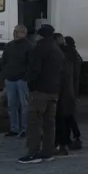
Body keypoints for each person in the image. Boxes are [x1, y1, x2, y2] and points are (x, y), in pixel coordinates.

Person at [19, 24, 64, 164]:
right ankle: (47, 152)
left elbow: (34, 70)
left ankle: (33, 152)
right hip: (53, 91)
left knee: (34, 122)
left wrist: (31, 85)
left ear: (41, 35)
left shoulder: (40, 49)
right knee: (49, 123)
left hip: (40, 91)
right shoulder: (57, 50)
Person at [2, 24, 32, 138]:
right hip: (10, 79)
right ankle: (14, 129)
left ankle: (25, 129)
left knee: (24, 105)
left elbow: (31, 64)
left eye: (17, 31)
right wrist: (6, 74)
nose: (14, 33)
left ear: (24, 33)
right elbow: (4, 61)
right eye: (14, 31)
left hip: (22, 80)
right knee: (11, 105)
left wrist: (25, 77)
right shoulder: (9, 46)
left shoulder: (29, 47)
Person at [53, 33, 80, 156]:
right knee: (68, 117)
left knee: (61, 119)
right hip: (70, 90)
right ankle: (72, 140)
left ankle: (62, 143)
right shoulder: (71, 55)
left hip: (63, 91)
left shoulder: (62, 56)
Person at [62, 36, 84, 149]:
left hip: (68, 89)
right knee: (70, 115)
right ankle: (75, 137)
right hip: (72, 88)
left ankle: (71, 138)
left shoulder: (69, 56)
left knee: (67, 116)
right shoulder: (74, 54)